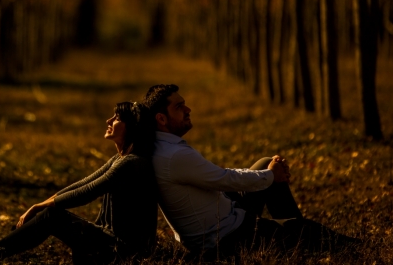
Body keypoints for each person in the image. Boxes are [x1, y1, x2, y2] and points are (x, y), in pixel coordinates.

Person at [143, 84, 358, 259]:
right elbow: (225, 179)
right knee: (311, 233)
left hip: (222, 217)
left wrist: (268, 172)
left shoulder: (163, 148)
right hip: (225, 238)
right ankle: (303, 233)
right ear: (161, 119)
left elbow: (218, 176)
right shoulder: (174, 156)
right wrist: (271, 176)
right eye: (180, 107)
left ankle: (291, 228)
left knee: (265, 163)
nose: (188, 109)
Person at [0, 102, 158, 264]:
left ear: (132, 127)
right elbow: (82, 183)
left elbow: (88, 191)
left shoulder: (132, 162)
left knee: (53, 216)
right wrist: (41, 205)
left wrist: (40, 208)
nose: (109, 121)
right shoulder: (120, 158)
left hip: (124, 252)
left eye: (117, 118)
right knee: (51, 213)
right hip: (112, 244)